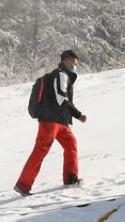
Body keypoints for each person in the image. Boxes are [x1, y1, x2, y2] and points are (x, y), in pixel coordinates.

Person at [14, 49, 87, 195]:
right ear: (66, 60)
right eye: (74, 63)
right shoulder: (61, 74)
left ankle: (71, 179)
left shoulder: (64, 75)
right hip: (50, 121)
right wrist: (78, 115)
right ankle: (23, 185)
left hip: (60, 121)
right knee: (41, 150)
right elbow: (61, 98)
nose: (75, 66)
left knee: (71, 144)